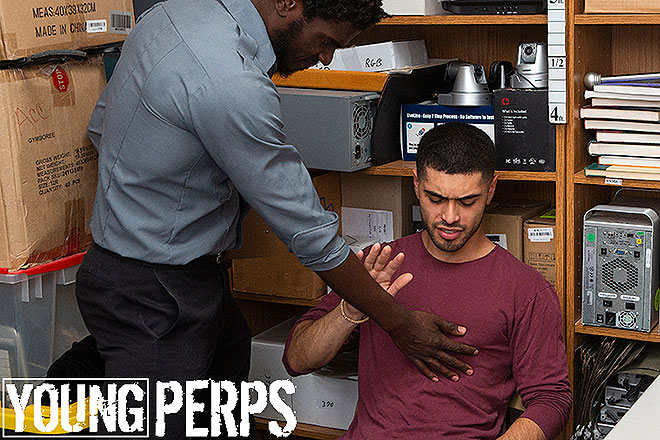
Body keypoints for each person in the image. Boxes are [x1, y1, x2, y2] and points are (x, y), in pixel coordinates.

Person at [76, 0, 479, 437]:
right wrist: (401, 324)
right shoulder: (230, 81)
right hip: (154, 293)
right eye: (325, 41)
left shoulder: (172, 12)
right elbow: (311, 237)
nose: (325, 59)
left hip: (177, 278)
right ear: (288, 3)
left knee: (225, 414)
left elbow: (101, 127)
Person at [284, 122, 573, 440]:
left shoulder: (527, 290)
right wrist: (352, 309)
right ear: (417, 184)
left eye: (467, 202)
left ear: (491, 190)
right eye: (435, 198)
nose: (450, 217)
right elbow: (296, 360)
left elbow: (552, 400)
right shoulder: (380, 264)